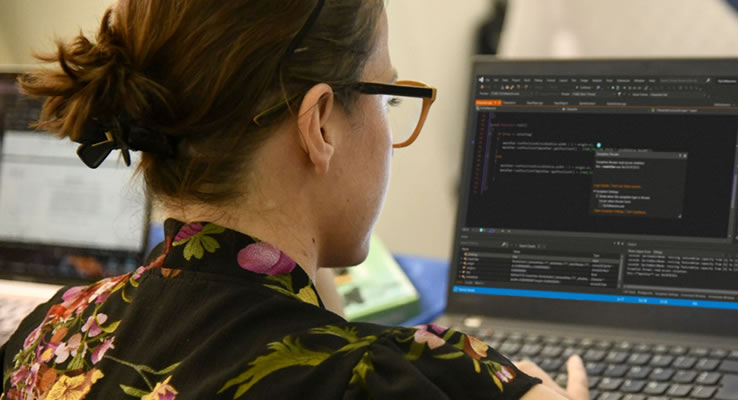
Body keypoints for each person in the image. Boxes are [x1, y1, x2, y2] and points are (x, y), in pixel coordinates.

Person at [0, 0, 589, 398]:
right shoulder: (403, 380)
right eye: (388, 97)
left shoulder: (50, 335)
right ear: (321, 126)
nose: (390, 130)